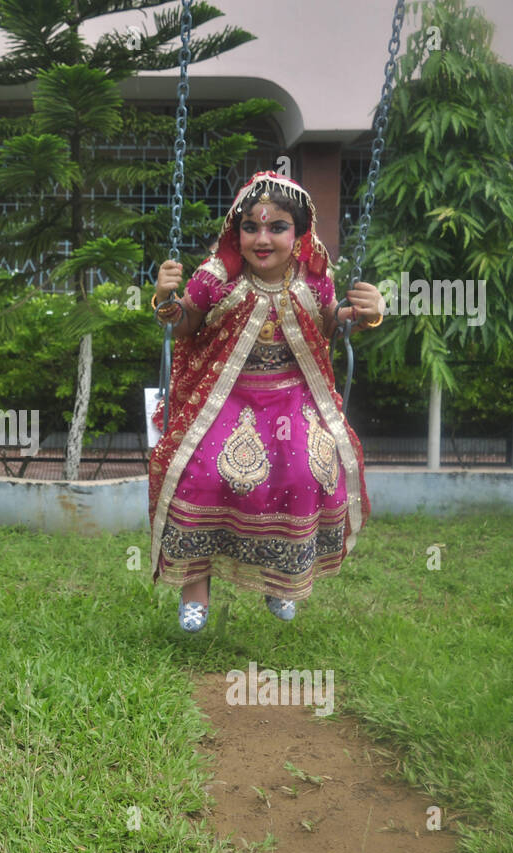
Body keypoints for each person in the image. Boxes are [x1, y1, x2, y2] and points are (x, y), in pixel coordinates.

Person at [149, 170, 384, 632]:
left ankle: (284, 579)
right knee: (200, 472)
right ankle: (195, 590)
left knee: (302, 471)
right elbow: (184, 325)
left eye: (277, 227)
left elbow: (333, 325)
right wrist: (164, 299)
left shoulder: (314, 281)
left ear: (298, 235)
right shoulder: (216, 277)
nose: (262, 238)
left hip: (293, 399)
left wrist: (367, 315)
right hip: (224, 397)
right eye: (251, 227)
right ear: (236, 232)